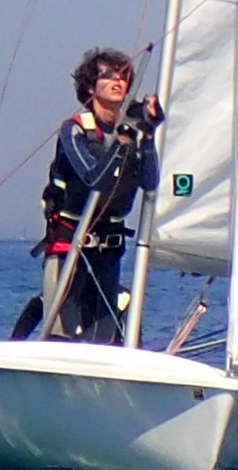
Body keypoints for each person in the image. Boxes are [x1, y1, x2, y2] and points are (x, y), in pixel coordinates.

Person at [21, 47, 162, 344]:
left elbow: (150, 183)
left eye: (123, 76)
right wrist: (120, 141)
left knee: (103, 340)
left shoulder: (132, 133)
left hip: (108, 254)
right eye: (108, 75)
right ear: (90, 87)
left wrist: (148, 135)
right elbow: (94, 179)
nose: (117, 81)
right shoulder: (74, 131)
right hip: (70, 248)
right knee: (62, 336)